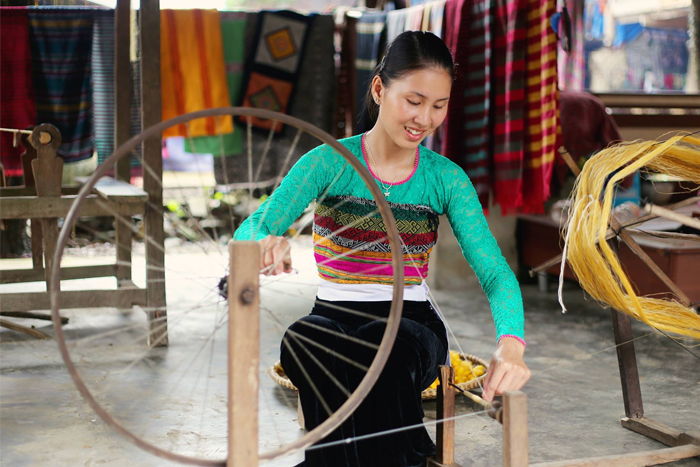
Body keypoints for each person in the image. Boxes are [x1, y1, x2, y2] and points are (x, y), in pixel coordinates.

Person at [234, 30, 530, 467]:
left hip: (411, 327)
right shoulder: (328, 161)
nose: (424, 119)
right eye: (413, 101)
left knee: (383, 345)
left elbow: (495, 271)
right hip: (332, 316)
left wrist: (512, 343)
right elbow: (253, 226)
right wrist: (265, 242)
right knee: (302, 340)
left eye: (439, 105)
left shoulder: (445, 178)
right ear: (378, 88)